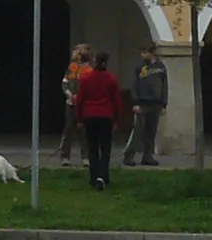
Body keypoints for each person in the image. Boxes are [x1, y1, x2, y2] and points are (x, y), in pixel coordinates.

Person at [72, 50, 120, 191]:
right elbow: (117, 101)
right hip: (106, 116)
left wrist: (79, 118)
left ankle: (93, 178)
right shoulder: (112, 79)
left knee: (92, 148)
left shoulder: (86, 79)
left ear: (95, 62)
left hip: (89, 116)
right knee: (105, 148)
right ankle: (103, 176)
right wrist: (116, 120)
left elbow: (80, 100)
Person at [123, 42, 167, 166]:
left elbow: (164, 86)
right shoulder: (140, 67)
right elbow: (134, 85)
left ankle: (148, 156)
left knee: (151, 131)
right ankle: (129, 155)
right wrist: (135, 101)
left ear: (152, 52)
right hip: (142, 102)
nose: (142, 54)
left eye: (145, 52)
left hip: (156, 103)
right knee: (138, 131)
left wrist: (164, 103)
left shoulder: (160, 67)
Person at [55, 44, 91, 165]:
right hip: (70, 104)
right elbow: (65, 82)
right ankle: (65, 156)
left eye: (76, 52)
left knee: (84, 130)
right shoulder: (71, 67)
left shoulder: (89, 70)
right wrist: (68, 93)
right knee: (68, 129)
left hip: (84, 105)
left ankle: (86, 157)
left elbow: (89, 87)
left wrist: (81, 97)